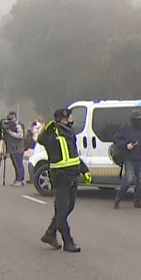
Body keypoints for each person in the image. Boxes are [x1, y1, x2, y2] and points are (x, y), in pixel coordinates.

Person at [37, 108, 91, 253]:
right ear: (63, 118)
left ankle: (50, 234)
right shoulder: (53, 134)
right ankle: (68, 242)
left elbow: (73, 155)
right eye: (70, 116)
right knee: (61, 212)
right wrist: (46, 131)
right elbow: (41, 140)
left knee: (69, 207)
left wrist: (84, 170)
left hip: (72, 175)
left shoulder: (69, 133)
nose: (72, 118)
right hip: (60, 177)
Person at [113, 110, 141, 209]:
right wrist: (126, 146)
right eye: (136, 118)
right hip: (129, 157)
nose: (138, 120)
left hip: (140, 157)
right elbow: (116, 139)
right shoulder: (125, 128)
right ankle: (118, 197)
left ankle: (137, 200)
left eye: (139, 118)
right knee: (129, 179)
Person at [1, 111, 27, 186]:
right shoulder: (9, 124)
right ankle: (17, 179)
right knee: (15, 164)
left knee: (19, 164)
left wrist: (10, 132)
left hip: (18, 147)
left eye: (11, 117)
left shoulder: (18, 125)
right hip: (12, 148)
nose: (10, 119)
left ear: (15, 116)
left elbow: (20, 135)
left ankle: (20, 179)